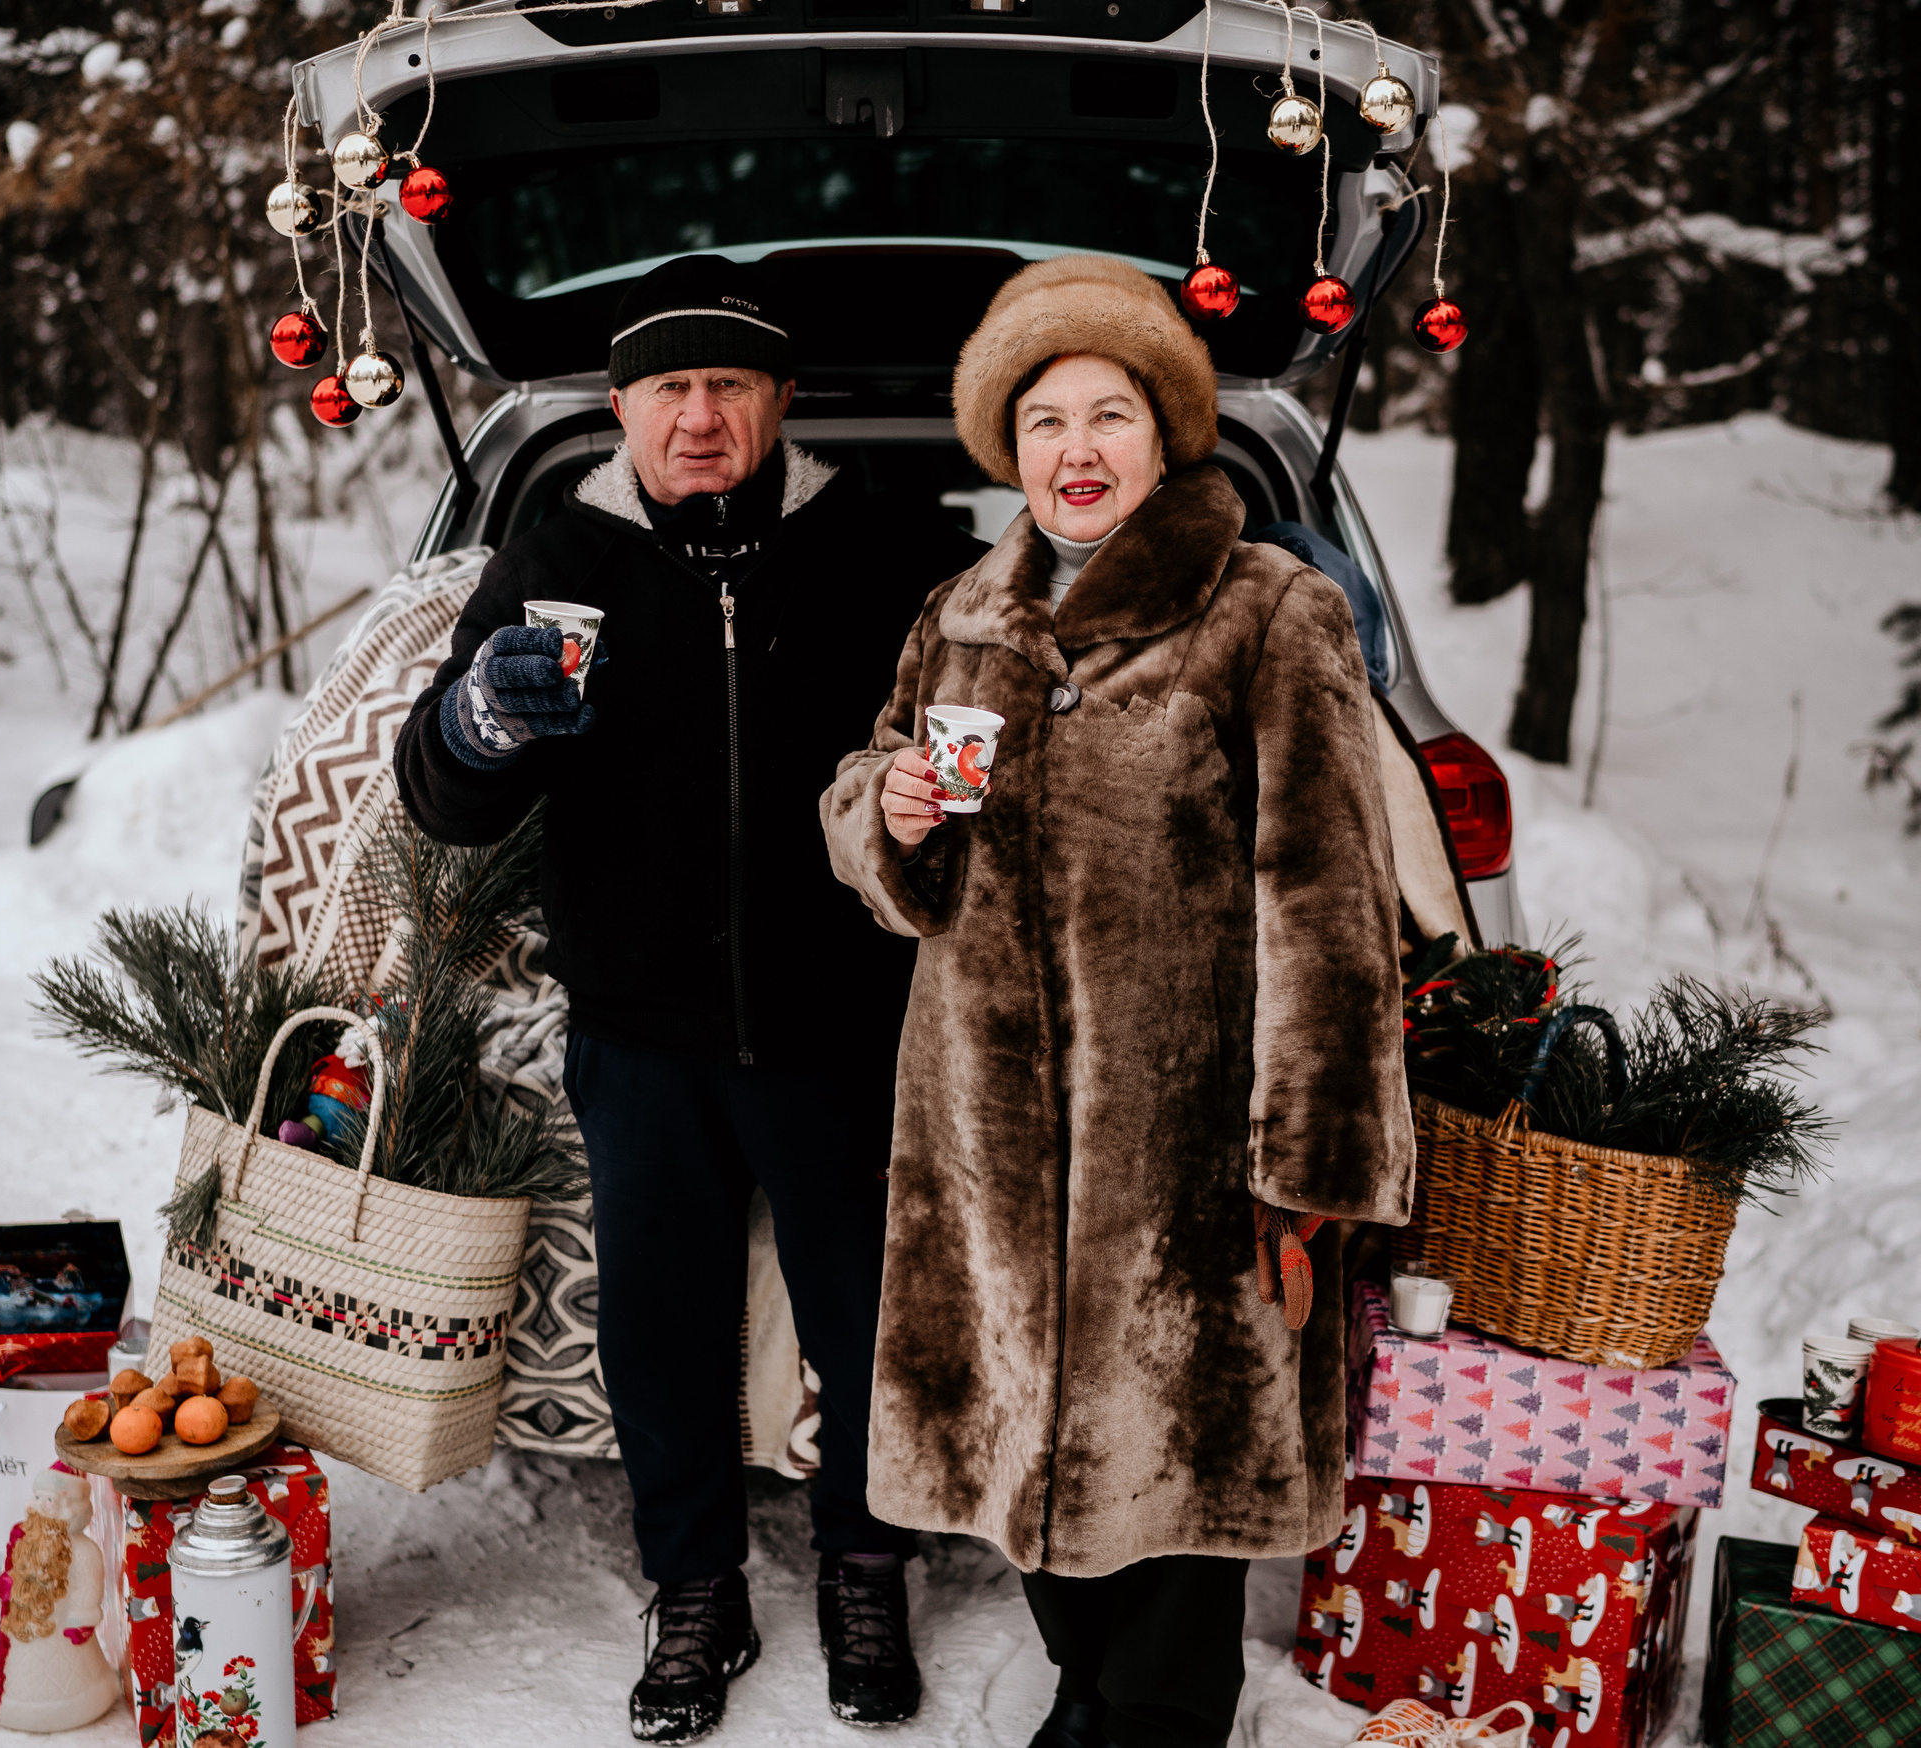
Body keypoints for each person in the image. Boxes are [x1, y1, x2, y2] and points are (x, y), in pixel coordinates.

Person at [821, 256, 1417, 1748]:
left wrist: (1313, 1170)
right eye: (1042, 422)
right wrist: (879, 819)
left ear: (1166, 433)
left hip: (1190, 1157)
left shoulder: (1270, 610)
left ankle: (1143, 1717)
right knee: (1027, 1459)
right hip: (987, 1143)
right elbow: (899, 842)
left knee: (1173, 1476)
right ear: (1006, 448)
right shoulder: (964, 614)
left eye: (1107, 415)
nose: (1074, 453)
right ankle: (1088, 1691)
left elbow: (1333, 907)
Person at [393, 254, 984, 1743]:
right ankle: (694, 1589)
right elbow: (442, 798)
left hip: (846, 1016)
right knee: (658, 1321)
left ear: (782, 402)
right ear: (620, 407)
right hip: (638, 1025)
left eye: (729, 384)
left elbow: (966, 766)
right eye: (670, 387)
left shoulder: (885, 548)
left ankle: (863, 1566)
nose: (700, 417)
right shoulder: (549, 545)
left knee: (867, 1320)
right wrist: (479, 720)